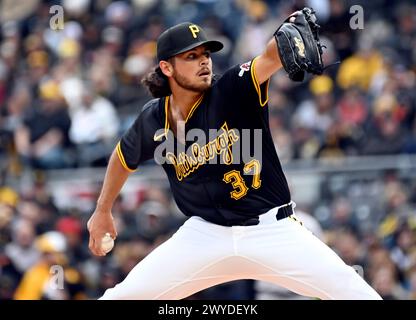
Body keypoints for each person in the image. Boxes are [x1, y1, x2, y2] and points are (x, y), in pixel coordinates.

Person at [87, 15, 382, 299]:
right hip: (204, 235)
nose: (204, 61)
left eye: (206, 54)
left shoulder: (232, 89)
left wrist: (281, 38)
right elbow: (123, 156)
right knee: (123, 296)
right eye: (191, 56)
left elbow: (266, 59)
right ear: (167, 67)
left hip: (271, 230)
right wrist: (102, 209)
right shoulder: (153, 119)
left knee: (354, 292)